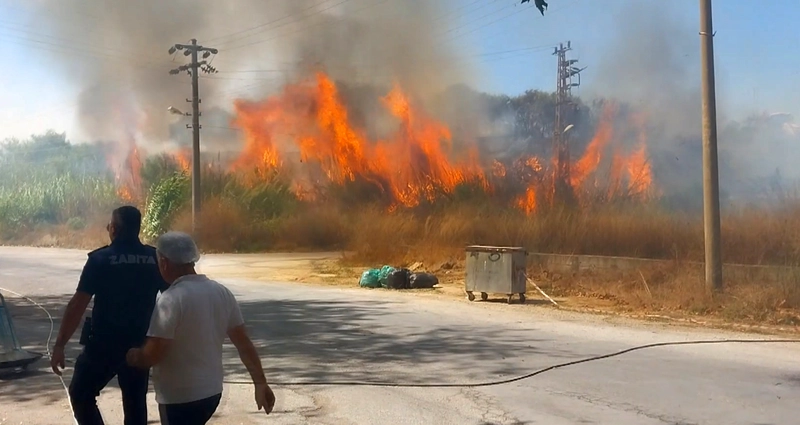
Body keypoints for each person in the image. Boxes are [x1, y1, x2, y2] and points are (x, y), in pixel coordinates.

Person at [126, 231, 275, 425]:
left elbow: (154, 354)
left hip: (180, 397)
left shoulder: (171, 299)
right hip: (211, 393)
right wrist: (260, 383)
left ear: (163, 262)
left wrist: (134, 356)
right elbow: (243, 344)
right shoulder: (221, 292)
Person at [50, 206, 169, 425]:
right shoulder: (155, 259)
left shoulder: (100, 259)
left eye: (109, 226)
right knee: (135, 404)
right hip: (140, 345)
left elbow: (78, 304)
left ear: (114, 229)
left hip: (103, 345)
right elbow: (174, 299)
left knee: (81, 394)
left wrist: (59, 345)